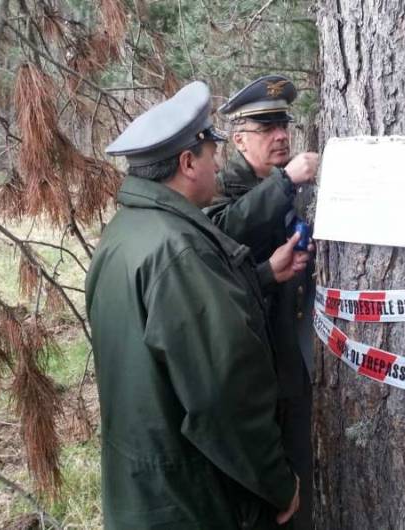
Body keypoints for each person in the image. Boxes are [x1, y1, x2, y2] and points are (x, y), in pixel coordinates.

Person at [85, 80, 310, 530]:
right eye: (211, 153)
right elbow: (221, 394)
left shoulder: (126, 231)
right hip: (187, 497)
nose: (216, 163)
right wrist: (278, 484)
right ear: (188, 163)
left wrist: (263, 276)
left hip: (144, 484)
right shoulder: (178, 250)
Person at [205, 74, 319, 530]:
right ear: (238, 140)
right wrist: (285, 184)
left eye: (283, 127)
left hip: (291, 353)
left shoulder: (283, 184)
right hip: (247, 358)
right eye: (266, 130)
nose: (280, 137)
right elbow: (226, 229)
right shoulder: (221, 188)